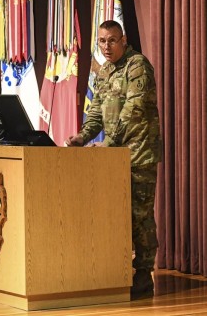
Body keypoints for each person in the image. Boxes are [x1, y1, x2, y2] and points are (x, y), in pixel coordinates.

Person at [65, 20, 162, 299]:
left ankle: (143, 275)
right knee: (115, 216)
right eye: (102, 41)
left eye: (112, 41)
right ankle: (117, 271)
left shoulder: (137, 65)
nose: (107, 47)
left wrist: (109, 144)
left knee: (140, 215)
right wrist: (82, 137)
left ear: (124, 40)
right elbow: (96, 112)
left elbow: (133, 110)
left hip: (138, 154)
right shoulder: (104, 71)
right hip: (113, 157)